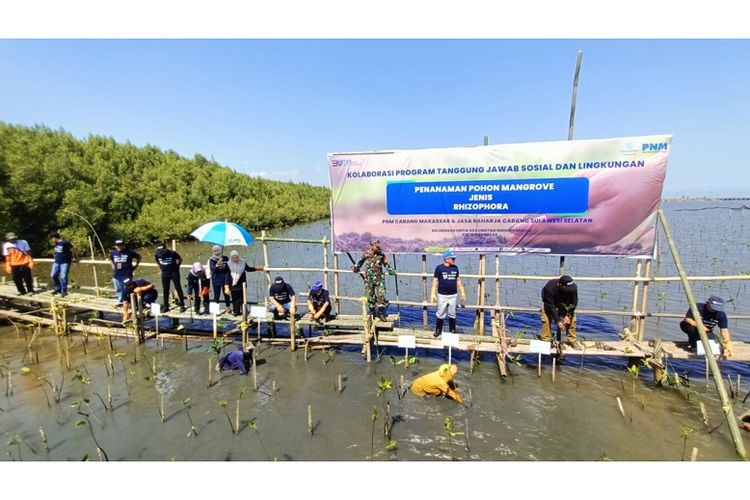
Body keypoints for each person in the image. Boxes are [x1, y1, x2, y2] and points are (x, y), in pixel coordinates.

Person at [352, 239, 395, 321]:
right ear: (371, 246)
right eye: (376, 245)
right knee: (370, 296)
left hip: (379, 278)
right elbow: (360, 262)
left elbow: (386, 264)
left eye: (379, 245)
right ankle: (372, 313)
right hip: (369, 279)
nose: (378, 247)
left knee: (381, 295)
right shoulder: (366, 253)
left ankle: (381, 314)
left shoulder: (381, 253)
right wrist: (356, 268)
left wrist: (391, 271)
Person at [430, 250, 467, 338]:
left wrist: (462, 292)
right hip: (442, 294)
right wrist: (432, 293)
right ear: (446, 259)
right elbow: (435, 280)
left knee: (452, 312)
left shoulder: (455, 268)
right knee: (441, 312)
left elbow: (458, 280)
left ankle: (452, 330)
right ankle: (438, 330)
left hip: (453, 295)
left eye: (454, 258)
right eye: (452, 258)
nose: (454, 260)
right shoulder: (439, 268)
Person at [540, 275, 581, 349]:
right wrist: (558, 320)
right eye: (567, 288)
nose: (570, 290)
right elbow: (550, 306)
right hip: (550, 302)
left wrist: (569, 315)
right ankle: (546, 341)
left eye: (571, 288)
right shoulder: (549, 288)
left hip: (565, 303)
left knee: (572, 321)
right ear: (560, 285)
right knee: (545, 320)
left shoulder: (573, 288)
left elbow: (574, 302)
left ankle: (572, 341)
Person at [227, 250, 264, 316]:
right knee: (234, 299)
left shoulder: (242, 262)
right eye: (233, 257)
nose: (235, 259)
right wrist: (226, 286)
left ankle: (244, 311)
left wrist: (258, 268)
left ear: (238, 257)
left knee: (242, 298)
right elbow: (226, 275)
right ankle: (236, 311)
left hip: (242, 284)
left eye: (236, 257)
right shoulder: (228, 264)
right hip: (233, 284)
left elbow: (248, 269)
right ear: (231, 257)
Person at [154, 243, 186, 312]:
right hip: (165, 273)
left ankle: (182, 305)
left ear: (166, 248)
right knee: (165, 290)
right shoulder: (157, 254)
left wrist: (177, 266)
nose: (162, 252)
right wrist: (160, 270)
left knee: (178, 288)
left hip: (174, 272)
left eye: (163, 250)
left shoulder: (172, 253)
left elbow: (180, 259)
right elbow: (157, 262)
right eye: (160, 251)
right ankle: (166, 306)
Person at [110, 239, 141, 307]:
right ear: (115, 246)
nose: (119, 246)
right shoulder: (113, 252)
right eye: (117, 245)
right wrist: (113, 267)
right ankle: (121, 301)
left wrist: (136, 265)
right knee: (118, 289)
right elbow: (111, 259)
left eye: (121, 245)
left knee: (128, 289)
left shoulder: (129, 251)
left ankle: (130, 302)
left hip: (127, 274)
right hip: (117, 274)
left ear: (123, 245)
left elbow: (139, 257)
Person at [48, 232, 77, 297]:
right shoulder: (55, 244)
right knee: (53, 275)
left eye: (51, 239)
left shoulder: (65, 243)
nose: (51, 240)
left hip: (65, 262)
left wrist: (76, 257)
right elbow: (56, 252)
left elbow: (74, 248)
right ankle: (58, 288)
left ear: (54, 238)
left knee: (63, 276)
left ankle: (64, 290)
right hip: (57, 262)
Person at [206, 245, 231, 313]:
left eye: (218, 250)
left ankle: (228, 307)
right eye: (215, 251)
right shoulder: (211, 259)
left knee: (226, 294)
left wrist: (227, 281)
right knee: (217, 294)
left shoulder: (225, 258)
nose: (217, 252)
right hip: (216, 279)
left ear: (220, 250)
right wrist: (217, 264)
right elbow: (213, 270)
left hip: (225, 278)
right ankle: (215, 309)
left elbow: (228, 269)